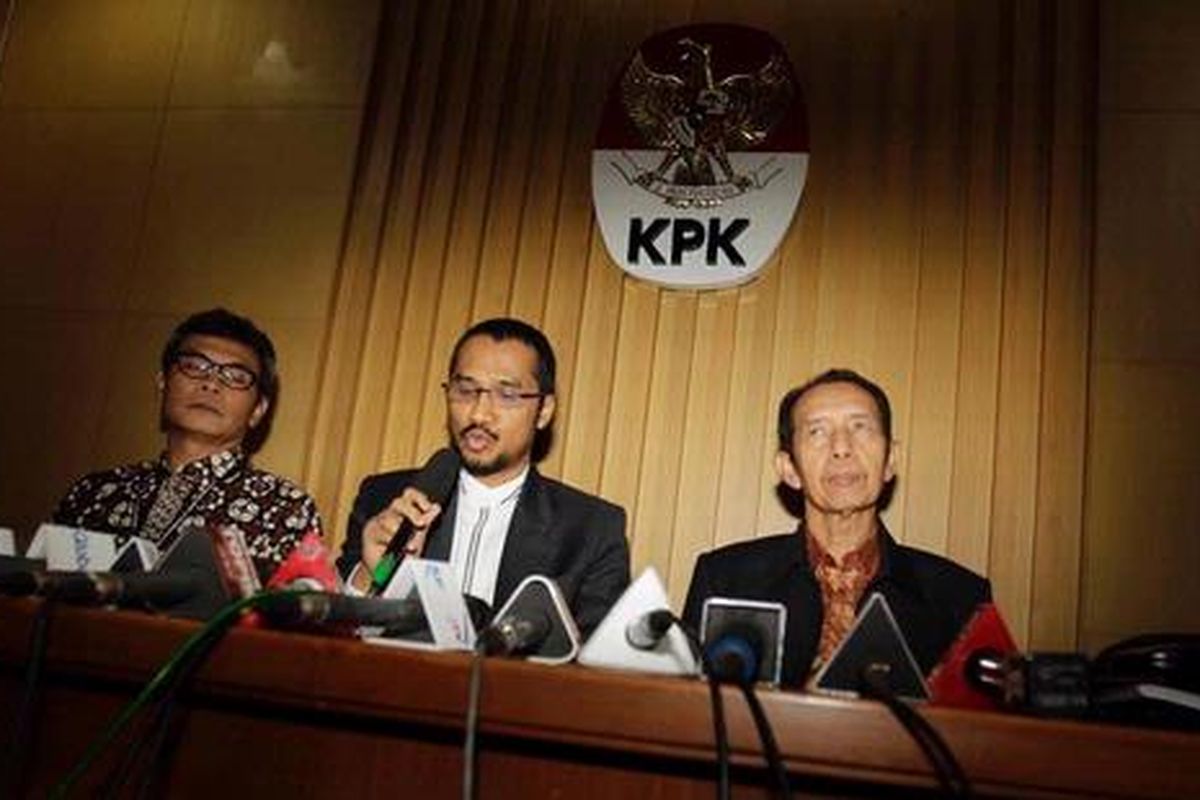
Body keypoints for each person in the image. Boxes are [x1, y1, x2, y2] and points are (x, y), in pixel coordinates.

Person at [683, 369, 991, 688]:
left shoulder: (960, 597)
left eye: (860, 427)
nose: (841, 447)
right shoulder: (724, 579)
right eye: (817, 431)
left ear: (890, 460)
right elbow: (689, 707)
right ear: (789, 469)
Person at [338, 318, 630, 638]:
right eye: (465, 391)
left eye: (507, 395)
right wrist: (373, 574)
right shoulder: (385, 499)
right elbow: (328, 639)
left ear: (544, 410)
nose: (478, 413)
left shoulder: (592, 529)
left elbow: (595, 658)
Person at [52, 308, 322, 583]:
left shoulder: (285, 508)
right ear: (163, 382)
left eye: (236, 377)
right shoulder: (94, 493)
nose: (211, 383)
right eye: (195, 366)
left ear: (258, 410)